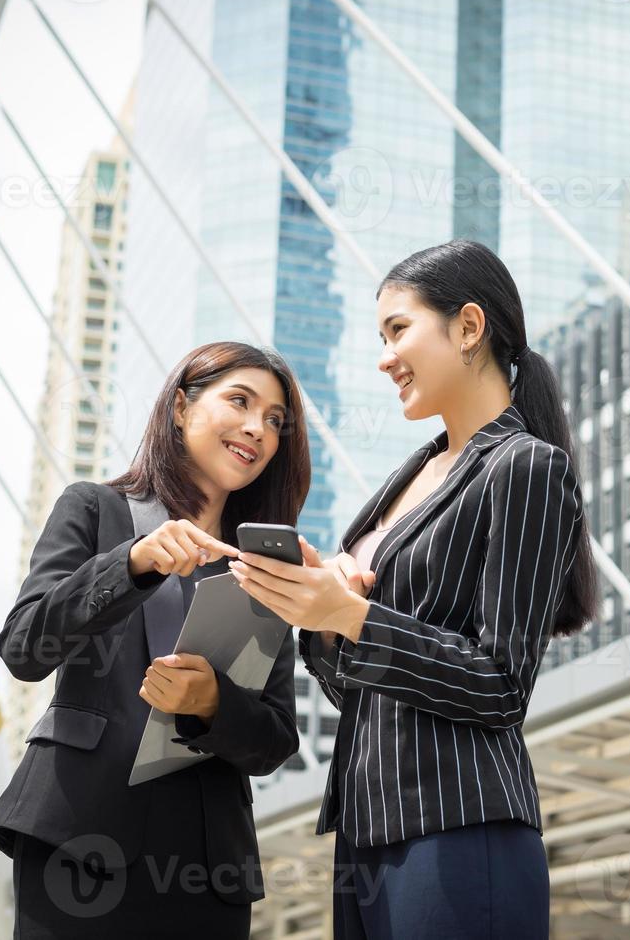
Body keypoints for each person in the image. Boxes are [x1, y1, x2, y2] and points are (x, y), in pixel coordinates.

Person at [229, 240, 600, 939]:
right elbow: (360, 689)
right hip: (365, 833)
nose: (383, 357)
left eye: (398, 330)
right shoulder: (405, 478)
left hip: (459, 824)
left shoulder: (523, 468)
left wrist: (355, 616)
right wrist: (323, 616)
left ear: (467, 328)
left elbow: (499, 685)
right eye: (380, 337)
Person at [0, 341, 307, 938]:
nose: (256, 428)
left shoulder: (261, 566)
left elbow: (276, 740)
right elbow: (25, 648)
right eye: (239, 401)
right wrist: (130, 565)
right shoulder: (96, 510)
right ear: (181, 407)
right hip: (76, 837)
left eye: (274, 421)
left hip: (204, 869)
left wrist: (213, 704)